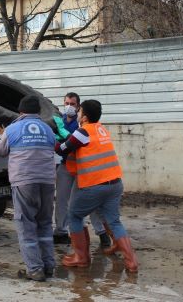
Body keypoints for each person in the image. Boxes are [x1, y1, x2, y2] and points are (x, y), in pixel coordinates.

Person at [55, 99, 138, 272]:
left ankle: (81, 257)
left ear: (84, 117)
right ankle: (131, 262)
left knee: (74, 216)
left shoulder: (82, 132)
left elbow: (62, 150)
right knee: (114, 221)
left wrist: (52, 138)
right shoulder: (101, 129)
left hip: (94, 185)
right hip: (115, 183)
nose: (77, 114)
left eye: (79, 111)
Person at [0, 95, 56, 282]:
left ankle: (35, 270)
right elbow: (52, 148)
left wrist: (0, 135)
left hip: (24, 181)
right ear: (38, 111)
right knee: (44, 224)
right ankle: (49, 266)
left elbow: (0, 151)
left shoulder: (12, 129)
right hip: (47, 181)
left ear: (20, 111)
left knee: (26, 225)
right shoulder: (48, 129)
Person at [53, 92, 111, 249]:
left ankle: (102, 233)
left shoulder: (82, 123)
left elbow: (73, 140)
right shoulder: (60, 120)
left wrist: (59, 137)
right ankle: (60, 232)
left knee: (90, 203)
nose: (69, 107)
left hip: (82, 168)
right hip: (65, 166)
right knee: (62, 200)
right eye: (66, 103)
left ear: (78, 107)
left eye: (72, 104)